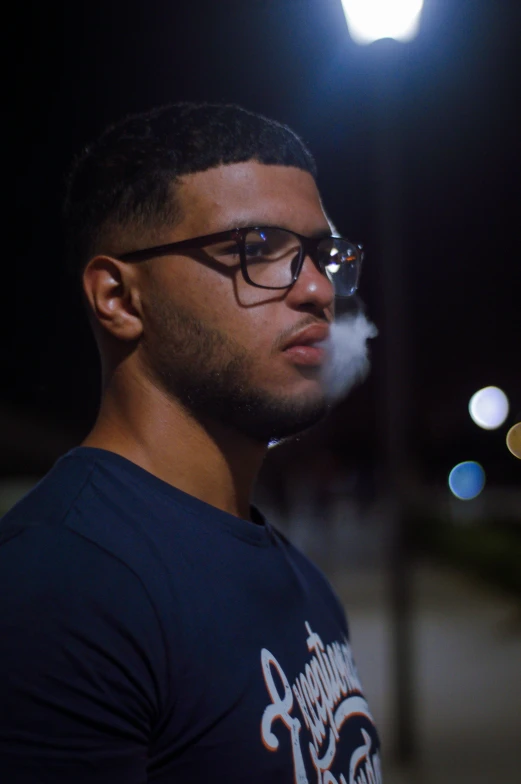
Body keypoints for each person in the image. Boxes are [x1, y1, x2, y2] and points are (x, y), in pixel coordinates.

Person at [0, 102, 381, 783]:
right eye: (256, 248)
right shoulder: (58, 592)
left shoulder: (301, 581)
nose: (319, 290)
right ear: (118, 297)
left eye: (322, 255)